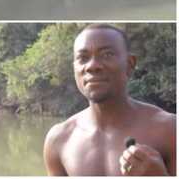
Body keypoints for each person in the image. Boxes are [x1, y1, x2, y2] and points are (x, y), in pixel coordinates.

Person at [43, 24, 176, 176]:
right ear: (74, 68)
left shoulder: (169, 130)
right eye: (83, 58)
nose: (92, 66)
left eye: (107, 54)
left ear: (130, 64)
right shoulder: (59, 139)